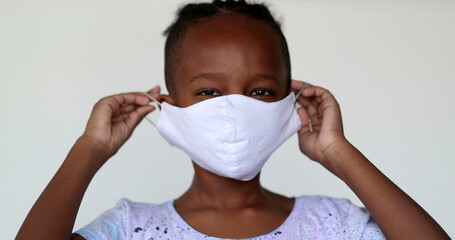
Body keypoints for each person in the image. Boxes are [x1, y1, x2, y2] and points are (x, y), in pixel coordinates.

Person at [16, 0, 450, 239]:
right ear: (169, 105)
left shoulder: (334, 224)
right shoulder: (130, 227)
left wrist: (338, 151)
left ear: (289, 103)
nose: (234, 110)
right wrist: (89, 150)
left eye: (261, 91)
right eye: (208, 92)